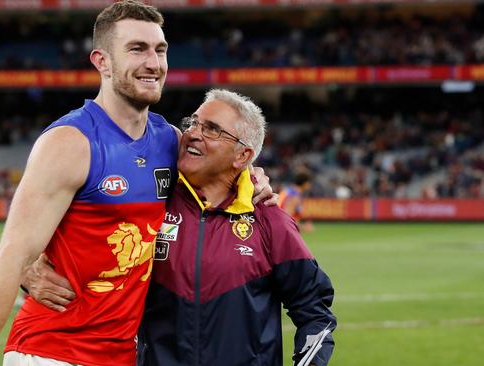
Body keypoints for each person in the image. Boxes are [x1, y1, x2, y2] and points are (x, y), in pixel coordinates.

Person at [0, 2, 274, 366]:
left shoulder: (170, 141)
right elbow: (13, 254)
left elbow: (222, 176)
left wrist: (253, 179)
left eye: (160, 50)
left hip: (123, 355)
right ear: (102, 61)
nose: (153, 63)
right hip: (53, 351)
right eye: (137, 49)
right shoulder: (70, 142)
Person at [27, 90, 336, 366]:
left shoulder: (270, 220)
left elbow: (315, 311)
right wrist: (27, 268)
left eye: (212, 129)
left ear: (243, 155)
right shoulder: (150, 200)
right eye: (193, 123)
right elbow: (72, 233)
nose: (193, 134)